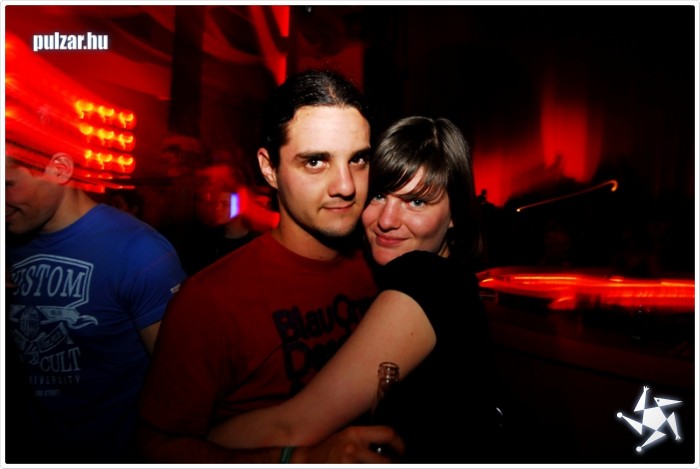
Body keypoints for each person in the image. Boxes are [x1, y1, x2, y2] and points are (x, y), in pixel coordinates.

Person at [138, 69, 403, 463]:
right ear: (269, 168)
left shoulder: (384, 263)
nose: (346, 185)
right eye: (316, 161)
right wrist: (296, 459)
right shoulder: (209, 301)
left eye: (359, 159)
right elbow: (156, 451)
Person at [207, 116, 500, 463]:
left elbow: (292, 426)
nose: (387, 220)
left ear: (455, 215)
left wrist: (188, 446)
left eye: (416, 202)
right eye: (379, 195)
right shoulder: (446, 277)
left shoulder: (428, 280)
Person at [5, 149, 187, 463]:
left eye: (7, 184)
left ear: (60, 169)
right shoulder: (9, 240)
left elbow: (183, 384)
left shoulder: (138, 252)